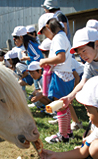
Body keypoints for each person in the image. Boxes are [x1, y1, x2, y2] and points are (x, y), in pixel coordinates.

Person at [38, 13, 75, 143]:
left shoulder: (58, 38)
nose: (44, 35)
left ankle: (62, 135)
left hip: (61, 75)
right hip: (66, 75)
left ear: (48, 27)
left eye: (43, 32)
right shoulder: (62, 36)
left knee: (59, 106)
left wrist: (45, 61)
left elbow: (61, 58)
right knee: (65, 105)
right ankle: (68, 132)